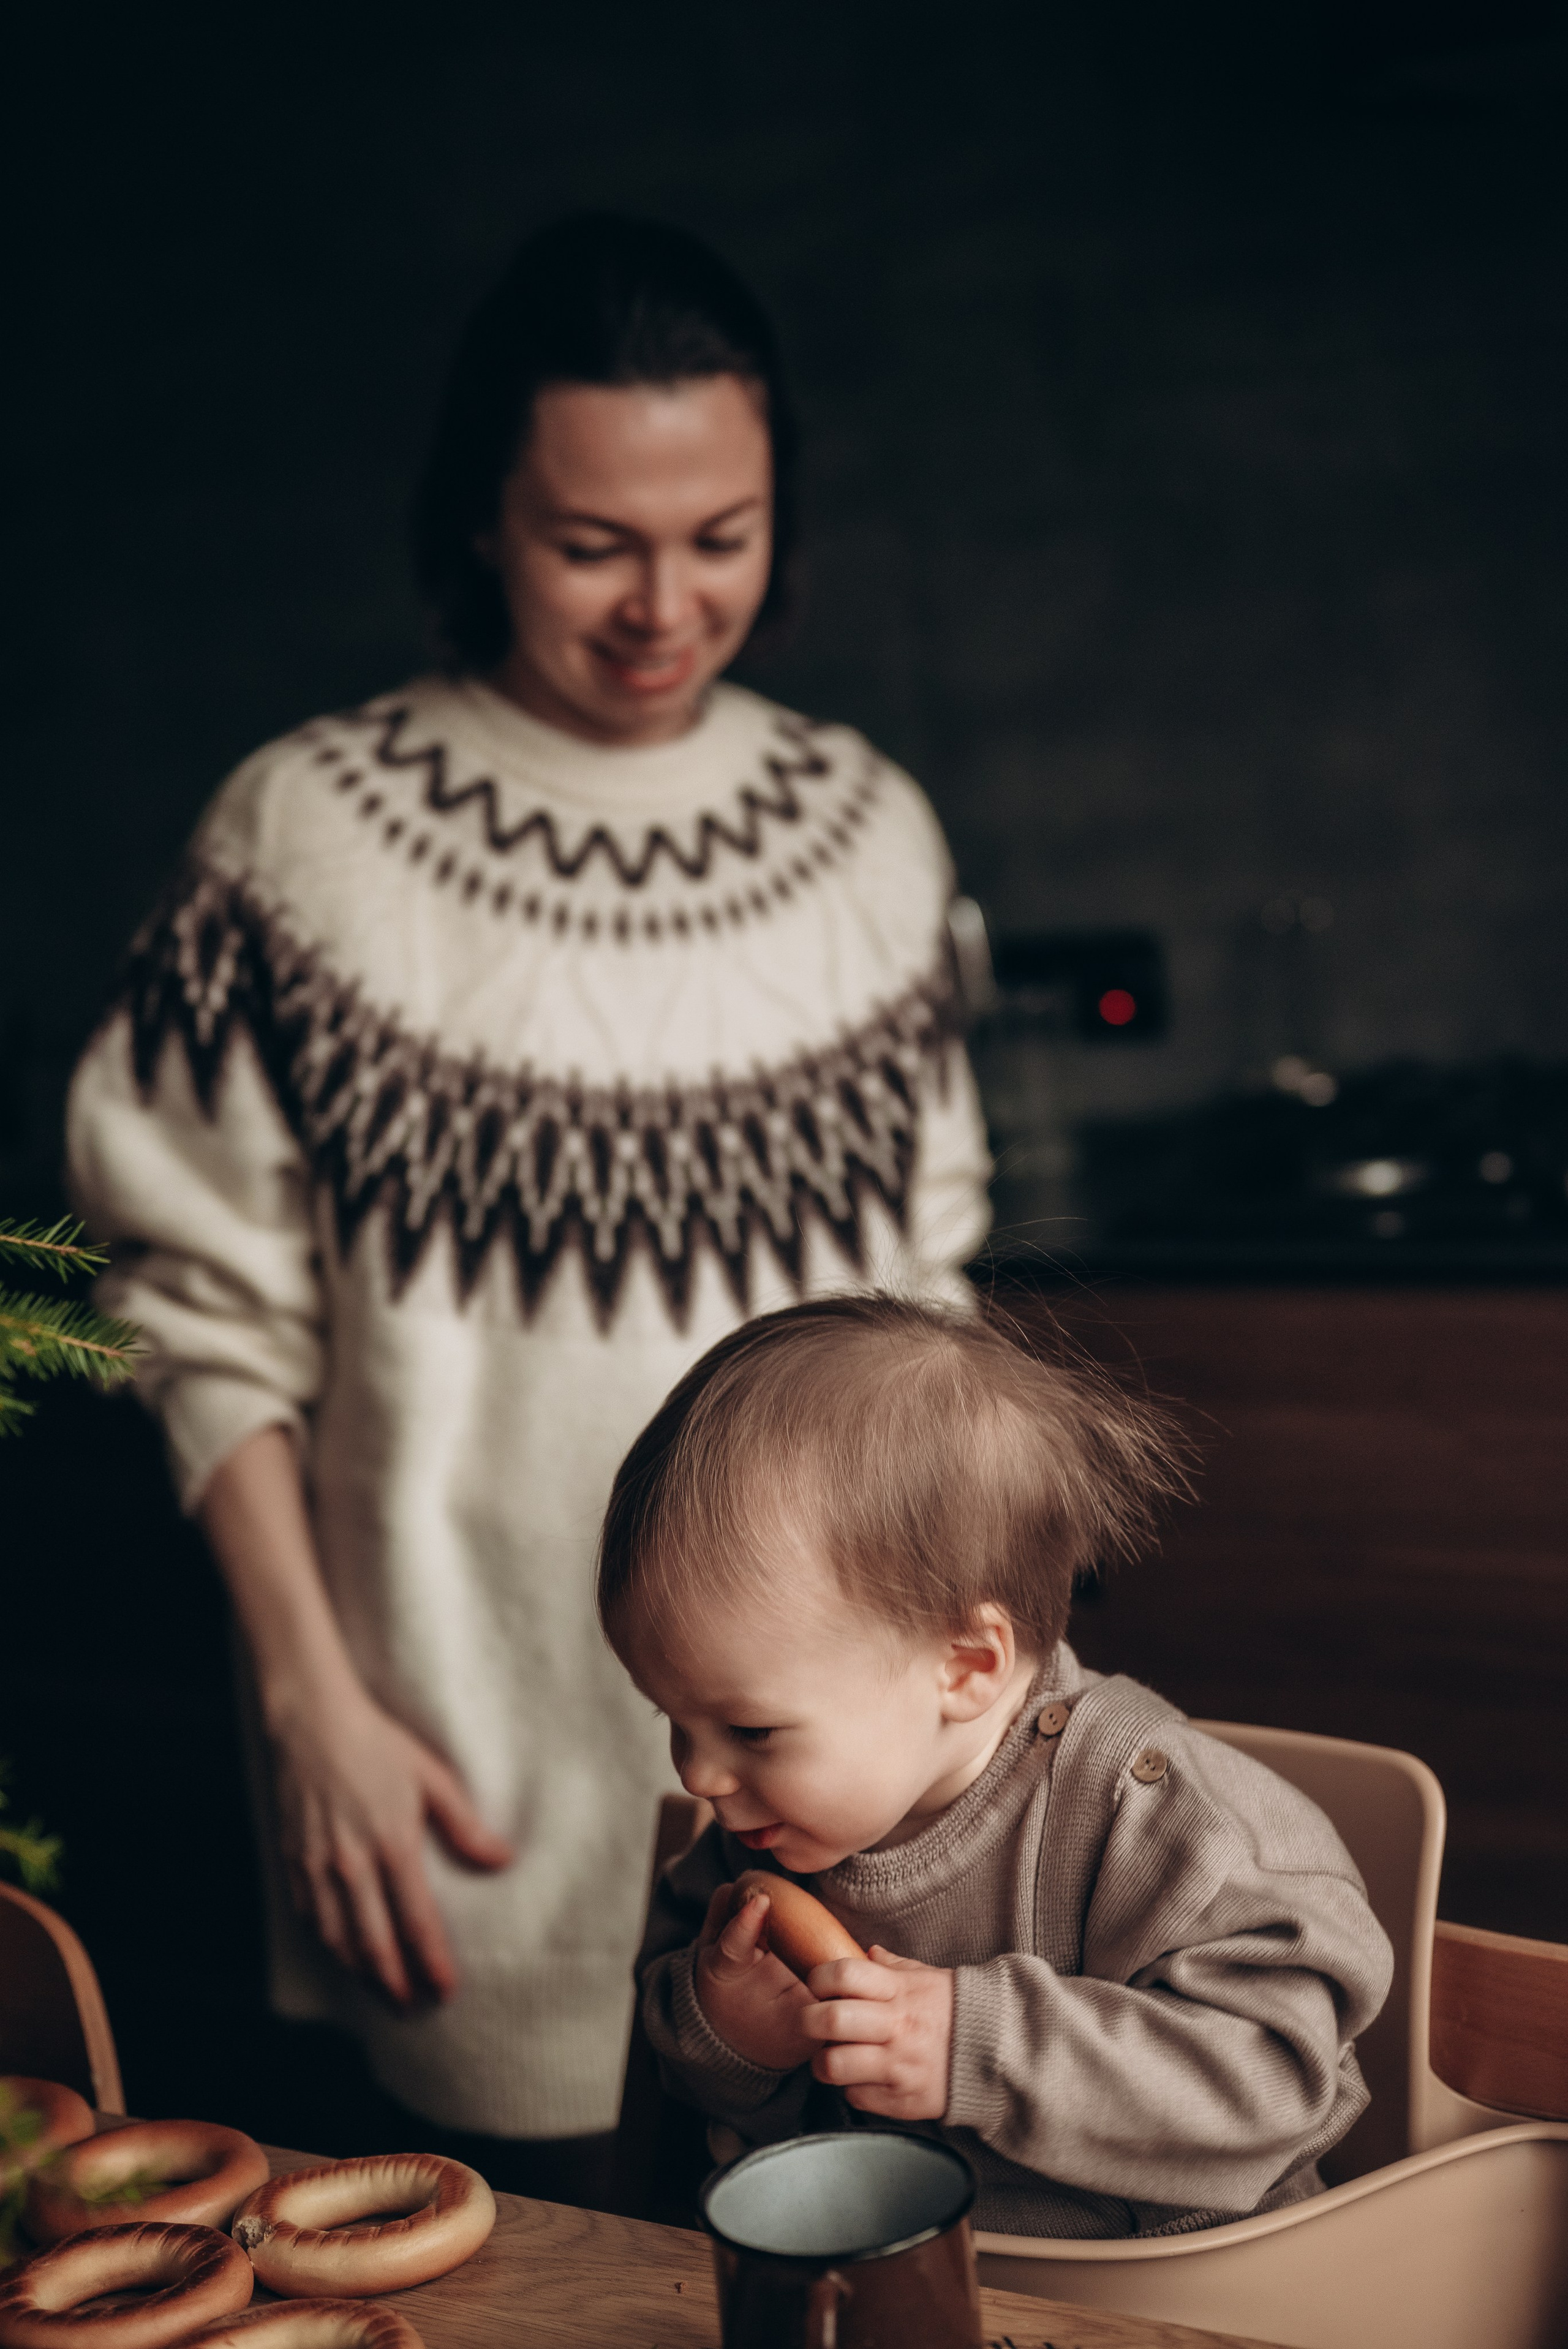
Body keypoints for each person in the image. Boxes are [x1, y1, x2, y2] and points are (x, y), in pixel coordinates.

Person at [64, 216, 992, 2203]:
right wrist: (315, 1707)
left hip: (848, 1788)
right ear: (484, 517)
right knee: (520, 2272)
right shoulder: (304, 835)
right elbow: (194, 1308)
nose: (666, 604)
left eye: (720, 535)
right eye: (596, 543)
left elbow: (933, 1317)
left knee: (833, 2252)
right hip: (454, 1754)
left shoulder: (872, 835)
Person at [600, 1295, 1395, 2236]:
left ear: (966, 1668)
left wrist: (977, 2047)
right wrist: (728, 2035)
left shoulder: (1168, 1823)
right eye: (674, 1719)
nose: (699, 1774)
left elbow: (1276, 2083)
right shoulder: (762, 1840)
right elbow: (695, 2083)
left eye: (753, 1732)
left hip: (1179, 2296)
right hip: (900, 2282)